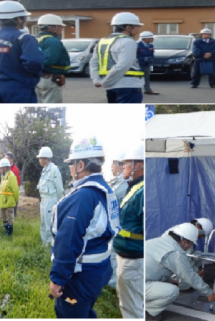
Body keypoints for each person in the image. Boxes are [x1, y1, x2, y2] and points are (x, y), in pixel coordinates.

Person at [49, 136, 121, 318]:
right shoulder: (106, 190)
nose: (70, 168)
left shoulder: (84, 196)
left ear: (80, 165)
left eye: (72, 164)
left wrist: (57, 279)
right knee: (84, 310)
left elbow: (68, 241)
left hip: (81, 275)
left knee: (71, 313)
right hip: (98, 269)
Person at [0, 0, 44, 103]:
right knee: (22, 117)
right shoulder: (24, 37)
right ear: (19, 19)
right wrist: (31, 79)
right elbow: (34, 61)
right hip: (19, 88)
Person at [145, 223, 215, 320]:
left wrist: (170, 280)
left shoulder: (160, 241)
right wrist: (208, 292)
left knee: (170, 284)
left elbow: (159, 268)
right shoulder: (175, 253)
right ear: (185, 241)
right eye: (191, 243)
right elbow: (189, 276)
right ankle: (149, 311)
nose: (190, 246)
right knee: (173, 291)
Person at [113, 142, 145, 318]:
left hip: (134, 261)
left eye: (126, 162)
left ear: (138, 165)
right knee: (128, 304)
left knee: (133, 309)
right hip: (127, 258)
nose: (122, 166)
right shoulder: (133, 186)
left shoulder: (142, 191)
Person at [90, 12, 145, 103]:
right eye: (137, 26)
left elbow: (93, 63)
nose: (139, 29)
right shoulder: (128, 42)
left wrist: (97, 80)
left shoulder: (102, 42)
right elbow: (122, 66)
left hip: (111, 88)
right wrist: (105, 83)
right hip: (129, 86)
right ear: (128, 27)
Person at [163, 218, 214, 291]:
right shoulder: (188, 235)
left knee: (198, 255)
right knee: (185, 286)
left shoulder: (181, 227)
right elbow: (186, 258)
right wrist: (197, 271)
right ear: (198, 226)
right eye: (201, 234)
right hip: (170, 262)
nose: (200, 237)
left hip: (165, 258)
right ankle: (176, 282)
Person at [36, 14, 70, 103]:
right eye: (60, 26)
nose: (61, 29)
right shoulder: (53, 41)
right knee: (52, 109)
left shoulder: (35, 39)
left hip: (37, 77)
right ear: (52, 27)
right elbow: (50, 59)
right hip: (49, 78)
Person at [108, 151, 127, 289]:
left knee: (114, 255)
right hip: (113, 224)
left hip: (118, 225)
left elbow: (111, 197)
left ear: (120, 165)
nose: (111, 167)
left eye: (113, 164)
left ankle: (114, 285)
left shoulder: (123, 184)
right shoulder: (117, 182)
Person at [36, 146, 64, 246]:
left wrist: (57, 201)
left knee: (49, 223)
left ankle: (49, 244)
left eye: (40, 158)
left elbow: (59, 188)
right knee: (43, 222)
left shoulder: (54, 170)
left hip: (51, 200)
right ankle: (44, 242)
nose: (39, 160)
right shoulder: (44, 169)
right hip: (44, 200)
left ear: (46, 158)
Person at [0, 158, 20, 236]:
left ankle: (9, 233)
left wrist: (15, 200)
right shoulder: (3, 176)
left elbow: (16, 190)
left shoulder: (12, 176)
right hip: (3, 202)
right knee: (3, 217)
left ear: (5, 168)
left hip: (9, 202)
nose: (0, 169)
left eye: (1, 168)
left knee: (9, 217)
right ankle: (6, 230)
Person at [137, 31, 159, 95]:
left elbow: (152, 54)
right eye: (151, 38)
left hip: (147, 64)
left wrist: (151, 58)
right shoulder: (137, 45)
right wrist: (142, 59)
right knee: (137, 78)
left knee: (147, 78)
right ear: (145, 38)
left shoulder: (151, 45)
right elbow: (134, 55)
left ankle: (148, 90)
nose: (153, 39)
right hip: (139, 65)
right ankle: (137, 91)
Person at [5, 152, 21, 216]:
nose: (5, 160)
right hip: (6, 190)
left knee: (14, 204)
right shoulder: (5, 168)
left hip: (13, 190)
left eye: (7, 159)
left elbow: (17, 182)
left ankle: (14, 215)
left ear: (11, 159)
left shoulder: (15, 169)